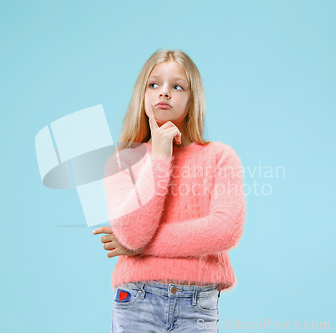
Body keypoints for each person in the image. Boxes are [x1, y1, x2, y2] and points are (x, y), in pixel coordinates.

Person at [92, 49, 246, 333]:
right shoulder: (122, 162)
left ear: (192, 98)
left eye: (177, 86)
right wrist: (160, 157)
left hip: (198, 305)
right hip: (137, 300)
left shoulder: (220, 157)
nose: (164, 93)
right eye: (154, 85)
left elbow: (225, 230)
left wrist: (139, 248)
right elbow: (133, 233)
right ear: (143, 94)